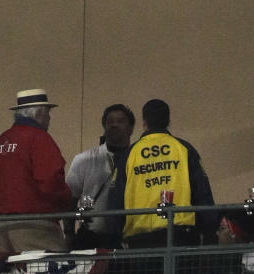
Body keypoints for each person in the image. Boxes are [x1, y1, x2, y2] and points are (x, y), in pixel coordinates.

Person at [0, 87, 72, 255]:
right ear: (39, 114)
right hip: (36, 224)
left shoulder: (2, 140)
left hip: (4, 225)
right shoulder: (39, 138)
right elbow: (50, 180)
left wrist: (9, 204)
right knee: (51, 269)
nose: (49, 119)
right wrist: (66, 202)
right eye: (48, 113)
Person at [121, 98, 216, 248]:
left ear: (144, 122)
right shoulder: (184, 149)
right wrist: (209, 231)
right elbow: (202, 192)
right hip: (180, 236)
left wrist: (115, 235)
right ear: (168, 120)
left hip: (140, 239)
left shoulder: (130, 154)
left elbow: (116, 196)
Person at [66, 103, 135, 245]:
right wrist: (69, 234)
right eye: (110, 122)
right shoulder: (85, 159)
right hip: (91, 237)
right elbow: (70, 200)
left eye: (120, 121)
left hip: (127, 239)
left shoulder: (137, 160)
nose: (114, 125)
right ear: (104, 127)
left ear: (131, 129)